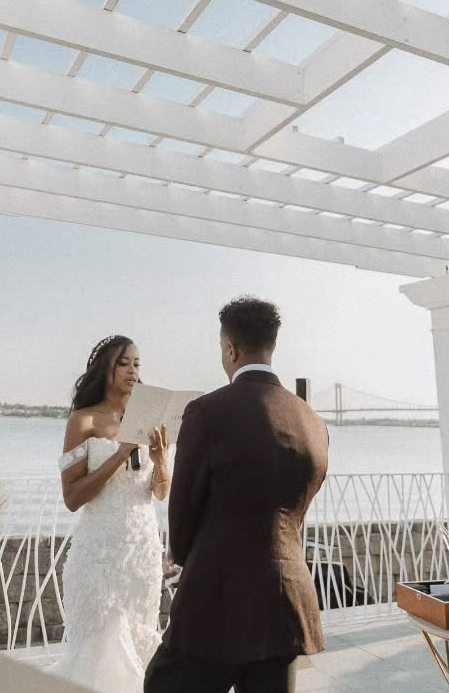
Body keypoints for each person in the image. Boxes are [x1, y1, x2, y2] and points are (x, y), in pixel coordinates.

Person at [145, 297, 329, 693]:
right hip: (286, 605)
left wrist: (184, 555)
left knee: (161, 684)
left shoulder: (206, 412)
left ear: (231, 349)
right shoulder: (313, 423)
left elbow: (183, 517)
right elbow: (296, 510)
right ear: (271, 345)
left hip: (217, 601)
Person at [49, 335, 171, 693]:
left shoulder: (152, 419)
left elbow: (161, 492)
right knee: (95, 656)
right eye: (124, 363)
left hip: (141, 557)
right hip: (99, 559)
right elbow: (72, 498)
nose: (133, 370)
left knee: (139, 648)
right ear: (106, 370)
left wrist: (162, 461)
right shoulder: (83, 422)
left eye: (137, 364)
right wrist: (120, 454)